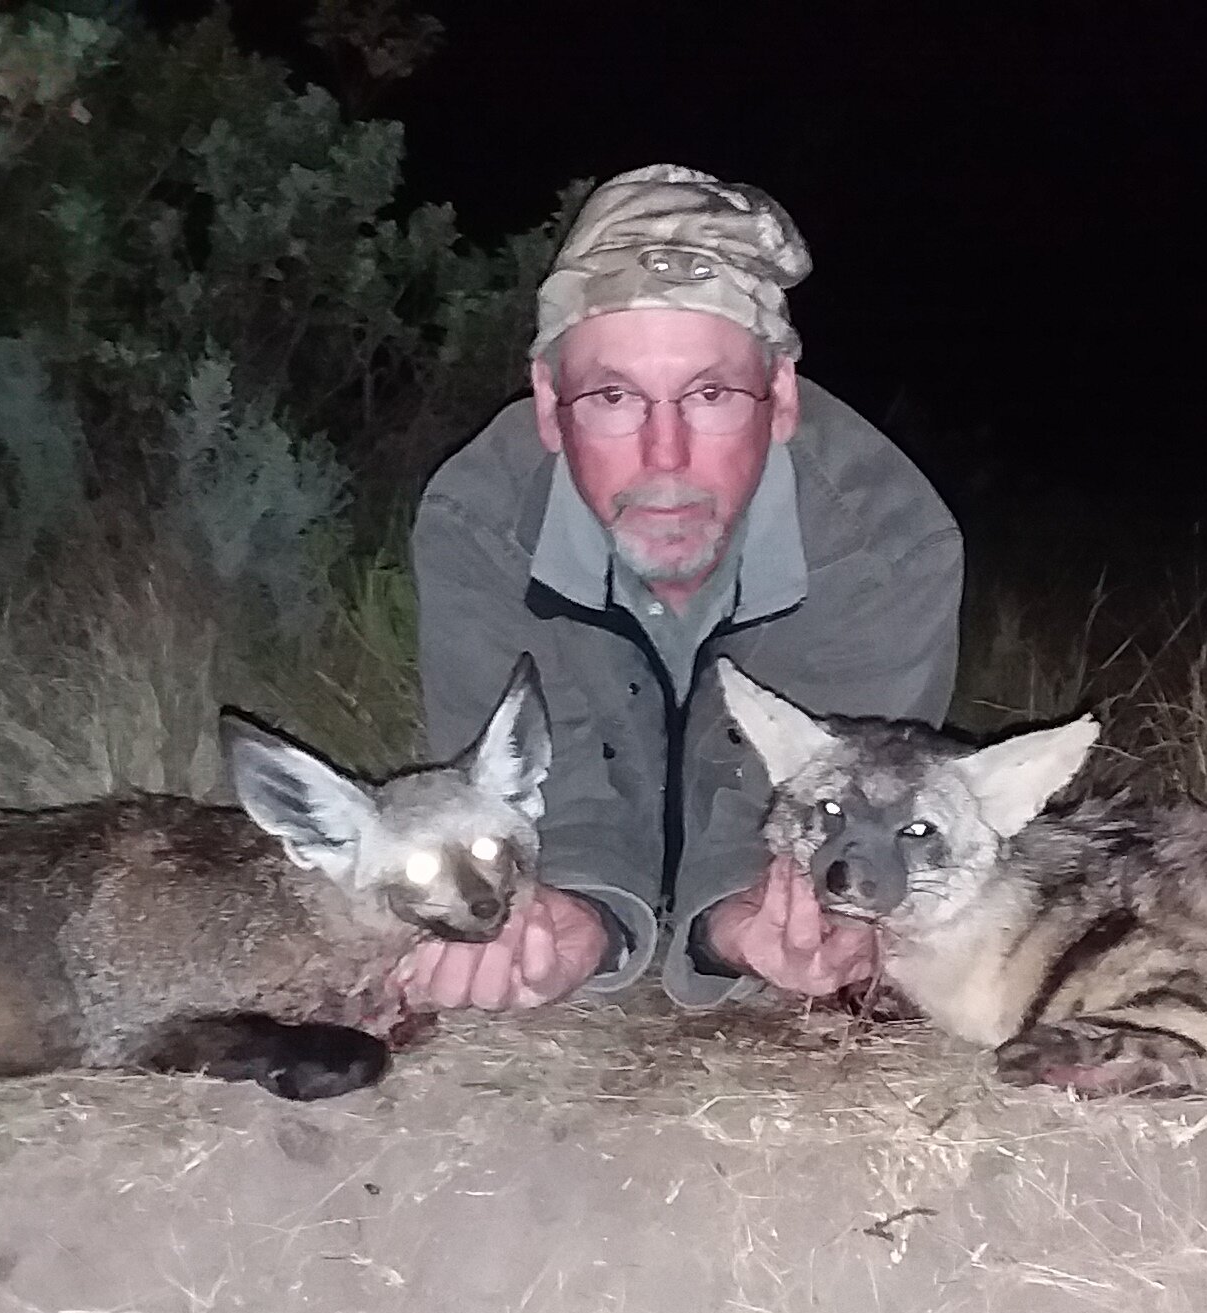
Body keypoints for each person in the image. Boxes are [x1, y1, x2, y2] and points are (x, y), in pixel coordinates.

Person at [398, 162, 963, 1014]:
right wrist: (579, 918)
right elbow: (532, 786)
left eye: (711, 394)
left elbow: (825, 796)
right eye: (613, 396)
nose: (665, 458)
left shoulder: (886, 544)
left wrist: (738, 920)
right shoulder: (477, 521)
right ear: (551, 405)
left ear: (780, 398)